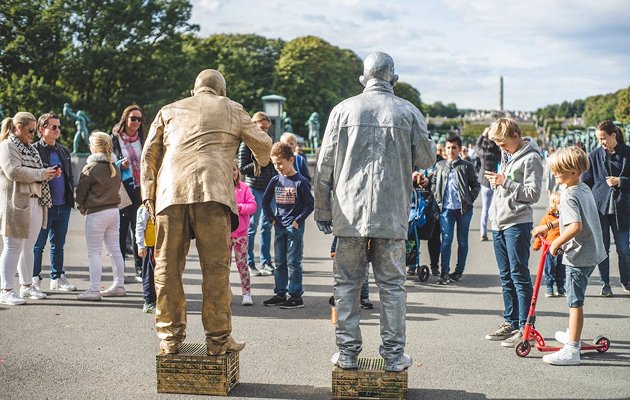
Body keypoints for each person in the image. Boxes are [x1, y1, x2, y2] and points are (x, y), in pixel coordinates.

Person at [314, 52, 435, 372]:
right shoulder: (408, 111)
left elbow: (324, 166)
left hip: (349, 213)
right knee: (393, 287)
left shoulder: (342, 110)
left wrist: (322, 209)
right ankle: (394, 356)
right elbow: (427, 159)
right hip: (391, 213)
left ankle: (347, 353)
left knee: (347, 285)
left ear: (363, 78)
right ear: (393, 77)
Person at [141, 69, 272, 355]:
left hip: (170, 194)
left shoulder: (168, 110)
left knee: (167, 269)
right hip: (213, 194)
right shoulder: (232, 108)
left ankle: (170, 338)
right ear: (222, 91)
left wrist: (148, 195)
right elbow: (263, 144)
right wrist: (259, 162)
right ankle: (218, 340)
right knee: (215, 272)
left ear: (194, 91)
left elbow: (149, 154)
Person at [531, 146, 606, 365]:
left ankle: (572, 349)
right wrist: (548, 226)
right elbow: (569, 218)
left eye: (558, 170)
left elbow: (575, 225)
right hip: (592, 251)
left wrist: (556, 242)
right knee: (575, 298)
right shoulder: (582, 188)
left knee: (574, 301)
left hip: (578, 255)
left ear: (573, 171)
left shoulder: (569, 194)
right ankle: (573, 335)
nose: (554, 173)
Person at [483, 117, 543, 348]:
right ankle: (510, 321)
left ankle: (525, 327)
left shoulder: (531, 158)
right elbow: (506, 187)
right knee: (506, 276)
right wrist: (497, 183)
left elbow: (533, 194)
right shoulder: (507, 154)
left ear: (515, 136)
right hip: (499, 221)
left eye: (503, 143)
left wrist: (506, 182)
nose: (501, 147)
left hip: (517, 222)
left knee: (519, 275)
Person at [0, 112, 57, 305]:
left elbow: (34, 172)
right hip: (15, 202)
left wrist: (47, 174)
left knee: (28, 247)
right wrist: (42, 173)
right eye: (31, 130)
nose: (34, 134)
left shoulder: (30, 148)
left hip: (35, 201)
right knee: (12, 247)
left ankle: (26, 286)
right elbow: (13, 171)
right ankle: (6, 290)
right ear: (18, 127)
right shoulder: (7, 145)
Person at [74, 132, 126, 301]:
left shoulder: (91, 167)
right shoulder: (114, 167)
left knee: (94, 253)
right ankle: (119, 285)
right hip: (114, 211)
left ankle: (94, 289)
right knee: (115, 250)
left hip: (97, 213)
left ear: (94, 147)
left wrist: (81, 207)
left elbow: (81, 191)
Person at [262, 142, 314, 309]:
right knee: (279, 261)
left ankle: (296, 296)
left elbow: (310, 204)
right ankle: (280, 293)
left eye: (280, 163)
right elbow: (265, 200)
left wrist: (298, 220)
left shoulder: (300, 182)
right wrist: (272, 218)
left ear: (291, 160)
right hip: (279, 225)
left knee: (293, 261)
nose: (277, 167)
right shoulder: (276, 179)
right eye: (274, 164)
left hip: (294, 227)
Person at [581, 120, 630, 296]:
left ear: (613, 135)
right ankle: (605, 284)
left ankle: (626, 281)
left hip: (622, 210)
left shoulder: (627, 153)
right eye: (598, 139)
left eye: (603, 138)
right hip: (599, 210)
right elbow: (586, 181)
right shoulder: (594, 155)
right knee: (603, 250)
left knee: (624, 250)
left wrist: (620, 181)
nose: (601, 142)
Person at [32, 113, 77, 292]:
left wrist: (71, 200)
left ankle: (57, 278)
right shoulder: (34, 150)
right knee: (38, 245)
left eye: (59, 127)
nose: (58, 130)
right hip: (43, 205)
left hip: (63, 205)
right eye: (53, 127)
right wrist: (47, 172)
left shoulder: (63, 150)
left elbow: (70, 177)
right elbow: (31, 175)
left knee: (58, 245)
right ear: (41, 129)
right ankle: (34, 280)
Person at [431, 136, 480, 284]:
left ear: (459, 149)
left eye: (454, 148)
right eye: (448, 147)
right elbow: (434, 183)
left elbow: (475, 185)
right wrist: (437, 198)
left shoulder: (466, 166)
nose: (450, 151)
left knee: (462, 241)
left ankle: (459, 271)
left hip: (463, 210)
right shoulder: (439, 166)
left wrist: (469, 199)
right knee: (446, 240)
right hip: (446, 209)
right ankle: (444, 272)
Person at [237, 111, 276, 276]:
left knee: (267, 226)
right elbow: (242, 168)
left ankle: (266, 262)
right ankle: (250, 263)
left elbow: (275, 166)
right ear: (254, 126)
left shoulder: (269, 143)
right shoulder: (246, 144)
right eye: (261, 128)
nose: (264, 131)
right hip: (254, 188)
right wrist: (260, 163)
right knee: (251, 226)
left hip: (270, 189)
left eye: (267, 128)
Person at [111, 105, 145, 282]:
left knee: (138, 227)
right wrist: (119, 164)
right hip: (122, 188)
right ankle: (120, 270)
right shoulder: (114, 139)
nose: (137, 122)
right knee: (121, 229)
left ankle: (140, 269)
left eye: (139, 119)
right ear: (125, 119)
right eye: (133, 118)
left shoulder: (143, 139)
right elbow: (107, 162)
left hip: (141, 189)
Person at [230, 160, 257, 306]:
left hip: (240, 234)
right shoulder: (220, 188)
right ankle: (224, 293)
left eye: (234, 169)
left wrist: (239, 207)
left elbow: (253, 206)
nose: (232, 172)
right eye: (228, 170)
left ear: (238, 171)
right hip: (223, 235)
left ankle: (246, 293)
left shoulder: (244, 188)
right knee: (223, 266)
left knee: (242, 265)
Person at [532, 191, 565, 297]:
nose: (561, 206)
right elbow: (540, 232)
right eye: (559, 204)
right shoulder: (547, 218)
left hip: (562, 247)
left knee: (561, 268)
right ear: (554, 205)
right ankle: (549, 287)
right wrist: (537, 245)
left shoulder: (565, 216)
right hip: (550, 248)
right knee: (550, 268)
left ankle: (560, 287)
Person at [331, 236, 374, 309]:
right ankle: (340, 296)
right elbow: (338, 238)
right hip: (347, 255)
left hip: (364, 255)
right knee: (345, 277)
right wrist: (334, 251)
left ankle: (364, 297)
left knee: (364, 277)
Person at [475, 127, 501, 241]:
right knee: (496, 208)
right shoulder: (497, 154)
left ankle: (483, 232)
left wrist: (483, 134)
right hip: (495, 181)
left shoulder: (483, 153)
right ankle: (497, 231)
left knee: (485, 209)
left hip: (485, 181)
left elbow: (476, 146)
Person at [136, 203, 156, 313]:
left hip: (162, 246)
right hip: (150, 247)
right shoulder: (144, 208)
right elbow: (139, 227)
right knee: (149, 275)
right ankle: (149, 303)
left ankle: (159, 300)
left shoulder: (162, 204)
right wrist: (140, 246)